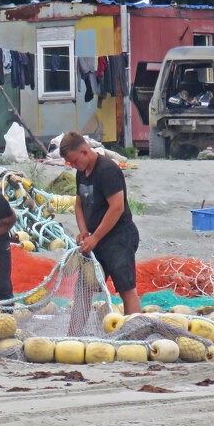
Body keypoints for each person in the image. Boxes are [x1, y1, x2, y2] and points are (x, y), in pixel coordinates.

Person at [59, 132, 141, 315]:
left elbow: (117, 207)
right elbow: (79, 204)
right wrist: (84, 231)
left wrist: (95, 237)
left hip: (119, 236)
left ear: (84, 151)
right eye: (70, 163)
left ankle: (135, 331)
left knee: (125, 287)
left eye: (74, 161)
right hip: (95, 239)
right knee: (84, 287)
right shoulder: (81, 172)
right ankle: (75, 335)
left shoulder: (107, 170)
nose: (73, 166)